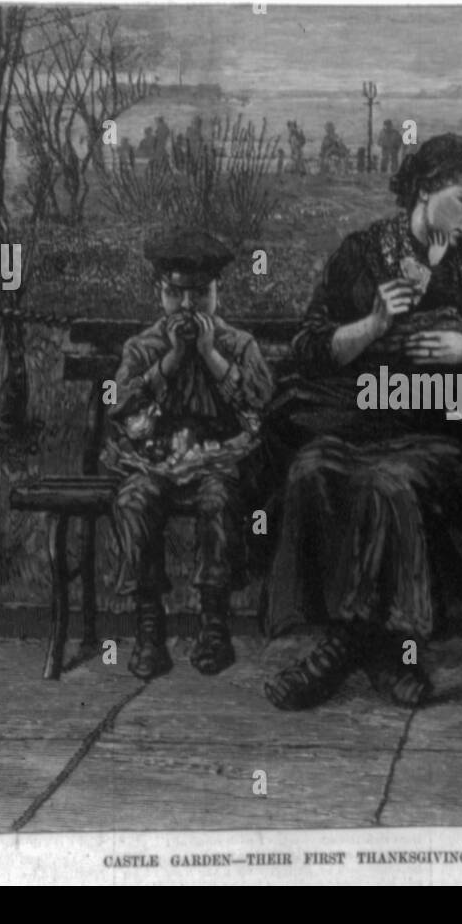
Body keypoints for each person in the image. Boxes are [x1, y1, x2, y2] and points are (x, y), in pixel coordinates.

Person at [259, 133, 462, 711]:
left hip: (436, 437)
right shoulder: (360, 256)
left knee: (389, 483)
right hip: (355, 424)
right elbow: (308, 349)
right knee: (312, 468)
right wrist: (372, 325)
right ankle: (378, 650)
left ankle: (346, 649)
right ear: (425, 189)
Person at [103, 229, 275, 680]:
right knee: (133, 501)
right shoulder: (144, 347)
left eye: (199, 294)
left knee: (219, 502)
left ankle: (214, 623)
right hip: (154, 457)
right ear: (160, 292)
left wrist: (208, 353)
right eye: (175, 293)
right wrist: (173, 361)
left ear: (217, 293)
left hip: (219, 458)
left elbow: (260, 400)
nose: (187, 306)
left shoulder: (238, 344)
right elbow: (119, 404)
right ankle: (148, 626)